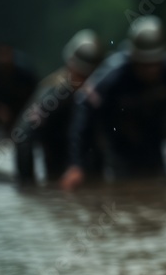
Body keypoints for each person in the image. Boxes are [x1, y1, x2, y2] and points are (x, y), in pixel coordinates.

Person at [60, 16, 166, 190]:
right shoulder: (115, 76)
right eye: (144, 64)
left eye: (155, 63)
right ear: (133, 58)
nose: (150, 70)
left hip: (154, 145)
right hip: (119, 147)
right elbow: (84, 106)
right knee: (124, 191)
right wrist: (76, 164)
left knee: (159, 189)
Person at [14, 30, 105, 184]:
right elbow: (23, 136)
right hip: (57, 170)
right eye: (81, 75)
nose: (86, 82)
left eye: (91, 76)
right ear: (70, 66)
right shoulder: (53, 93)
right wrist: (28, 184)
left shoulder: (104, 90)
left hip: (93, 171)